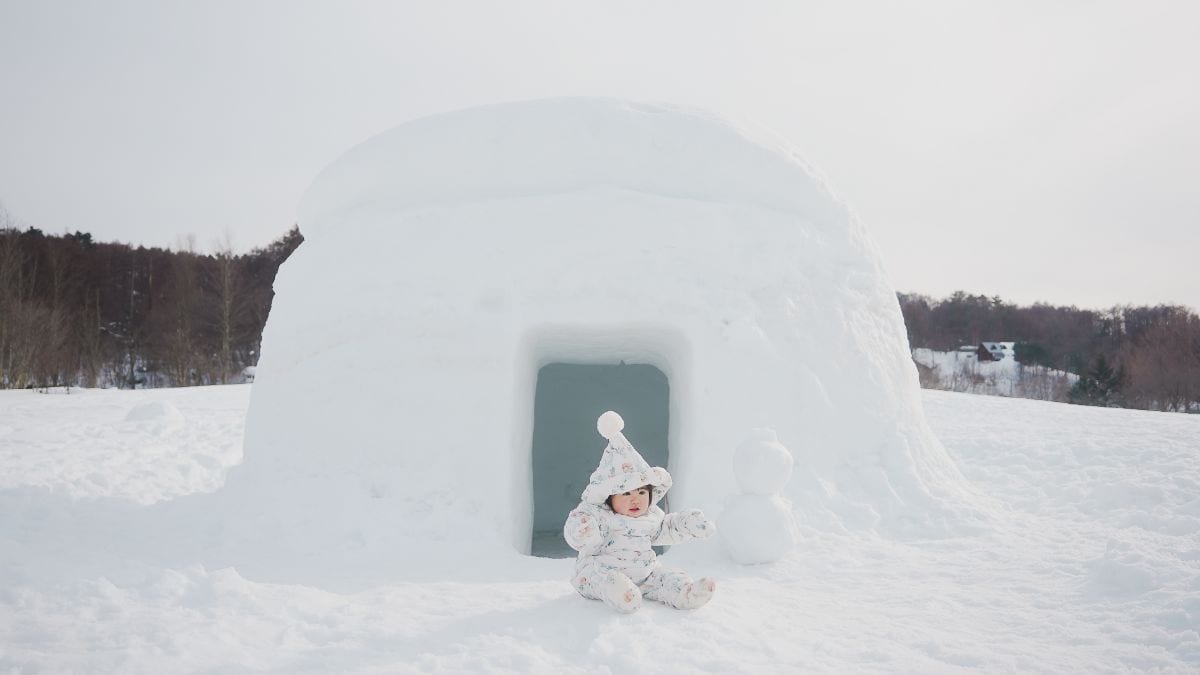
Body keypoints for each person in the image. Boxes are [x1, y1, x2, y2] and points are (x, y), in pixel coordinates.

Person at [563, 411, 717, 613]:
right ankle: (619, 592)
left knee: (666, 577)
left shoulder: (651, 518)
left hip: (645, 575)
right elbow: (577, 529)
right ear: (609, 497)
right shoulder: (602, 517)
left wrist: (687, 524)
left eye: (642, 491)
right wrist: (583, 529)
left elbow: (668, 528)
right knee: (599, 577)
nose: (635, 499)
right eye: (626, 493)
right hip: (602, 572)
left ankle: (686, 593)